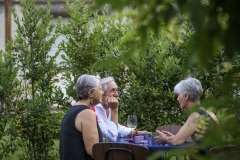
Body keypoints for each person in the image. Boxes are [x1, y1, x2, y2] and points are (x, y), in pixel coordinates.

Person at [154, 77, 219, 146]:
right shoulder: (208, 112)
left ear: (186, 96)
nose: (177, 99)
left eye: (179, 95)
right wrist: (176, 137)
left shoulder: (196, 116)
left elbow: (176, 142)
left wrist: (165, 138)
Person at [60, 74, 103, 160]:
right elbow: (94, 151)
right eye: (100, 89)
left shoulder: (73, 109)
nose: (102, 92)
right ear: (90, 93)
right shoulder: (87, 113)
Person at [95, 76, 151, 142]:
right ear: (102, 93)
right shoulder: (95, 110)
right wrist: (114, 110)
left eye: (117, 90)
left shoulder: (108, 108)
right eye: (112, 90)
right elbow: (111, 137)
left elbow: (116, 128)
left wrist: (136, 132)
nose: (116, 94)